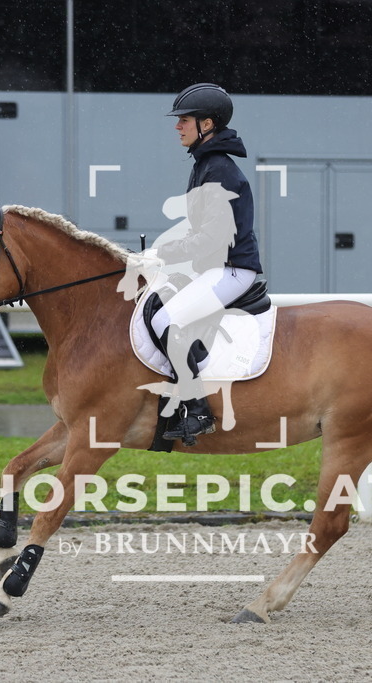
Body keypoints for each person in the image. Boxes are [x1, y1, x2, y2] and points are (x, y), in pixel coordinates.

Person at [148, 82, 264, 445]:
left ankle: (197, 408)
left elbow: (213, 239)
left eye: (185, 120)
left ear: (208, 125)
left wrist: (161, 254)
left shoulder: (219, 170)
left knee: (166, 319)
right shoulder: (206, 164)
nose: (177, 126)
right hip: (213, 268)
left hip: (231, 271)